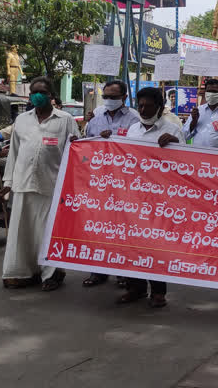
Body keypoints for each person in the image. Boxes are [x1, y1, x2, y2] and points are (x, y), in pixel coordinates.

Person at [0, 76, 80, 291]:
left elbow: (76, 154)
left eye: (42, 92)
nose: (37, 95)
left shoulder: (65, 120)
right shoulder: (22, 120)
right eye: (34, 91)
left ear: (51, 96)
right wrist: (8, 182)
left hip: (52, 185)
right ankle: (21, 271)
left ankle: (51, 274)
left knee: (48, 232)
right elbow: (14, 152)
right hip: (23, 183)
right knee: (21, 231)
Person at [119, 87, 183, 308]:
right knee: (132, 243)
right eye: (141, 105)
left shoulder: (173, 129)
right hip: (134, 195)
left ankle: (158, 291)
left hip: (160, 199)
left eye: (148, 105)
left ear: (159, 106)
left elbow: (185, 163)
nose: (144, 109)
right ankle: (134, 287)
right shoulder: (132, 130)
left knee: (155, 244)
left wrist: (174, 142)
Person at [81, 80, 141, 288]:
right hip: (100, 183)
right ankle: (98, 271)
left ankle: (123, 271)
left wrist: (115, 140)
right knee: (99, 227)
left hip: (126, 184)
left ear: (124, 98)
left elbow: (140, 151)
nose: (108, 101)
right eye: (106, 97)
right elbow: (86, 148)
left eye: (113, 97)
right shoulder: (96, 119)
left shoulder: (135, 119)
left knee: (123, 229)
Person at [184, 78, 218, 148]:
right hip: (198, 154)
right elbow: (185, 136)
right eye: (209, 91)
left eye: (214, 92)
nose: (211, 94)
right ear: (205, 93)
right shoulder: (198, 111)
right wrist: (194, 121)